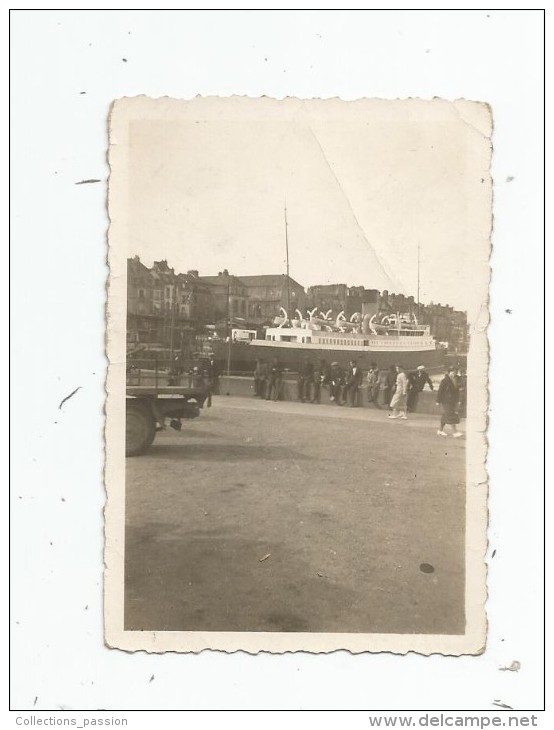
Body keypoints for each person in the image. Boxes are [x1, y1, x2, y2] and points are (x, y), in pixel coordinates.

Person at [436, 367, 463, 437]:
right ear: (448, 373)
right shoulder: (444, 380)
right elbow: (440, 391)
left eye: (454, 372)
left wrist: (458, 400)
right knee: (450, 415)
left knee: (445, 415)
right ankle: (455, 432)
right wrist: (438, 401)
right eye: (452, 372)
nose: (453, 373)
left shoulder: (455, 380)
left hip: (452, 401)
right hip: (446, 401)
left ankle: (440, 430)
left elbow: (456, 391)